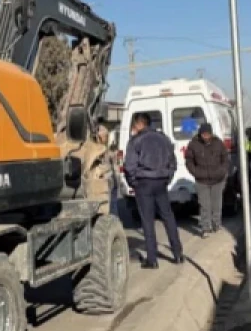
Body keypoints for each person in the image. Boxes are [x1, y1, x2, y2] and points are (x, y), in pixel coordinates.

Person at [123, 112, 184, 269]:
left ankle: (152, 259)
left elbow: (129, 166)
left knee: (147, 220)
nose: (133, 128)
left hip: (144, 183)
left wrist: (134, 183)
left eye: (134, 125)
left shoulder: (136, 141)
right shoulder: (163, 139)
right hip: (161, 182)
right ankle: (178, 254)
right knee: (168, 217)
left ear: (139, 124)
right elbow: (173, 162)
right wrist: (167, 178)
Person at [185, 123, 229, 238]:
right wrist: (196, 172)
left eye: (208, 134)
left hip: (217, 179)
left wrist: (222, 171)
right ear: (200, 134)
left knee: (216, 204)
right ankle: (205, 227)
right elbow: (189, 160)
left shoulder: (218, 143)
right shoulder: (193, 144)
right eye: (204, 134)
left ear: (211, 133)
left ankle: (216, 224)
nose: (206, 136)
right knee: (205, 205)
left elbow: (225, 158)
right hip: (202, 180)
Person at [94, 124, 119, 219]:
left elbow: (114, 162)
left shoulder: (105, 148)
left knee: (112, 203)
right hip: (104, 179)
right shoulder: (97, 149)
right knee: (108, 204)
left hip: (110, 178)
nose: (107, 138)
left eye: (107, 136)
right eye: (105, 136)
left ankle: (113, 219)